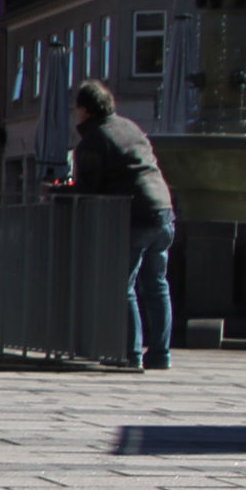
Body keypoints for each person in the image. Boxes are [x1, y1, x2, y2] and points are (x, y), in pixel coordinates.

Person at [69, 79, 175, 370]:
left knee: (123, 285)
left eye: (77, 109)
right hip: (164, 209)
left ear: (86, 110)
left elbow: (86, 190)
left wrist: (55, 192)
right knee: (157, 284)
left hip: (135, 215)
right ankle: (161, 354)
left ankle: (131, 354)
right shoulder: (130, 127)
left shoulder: (94, 139)